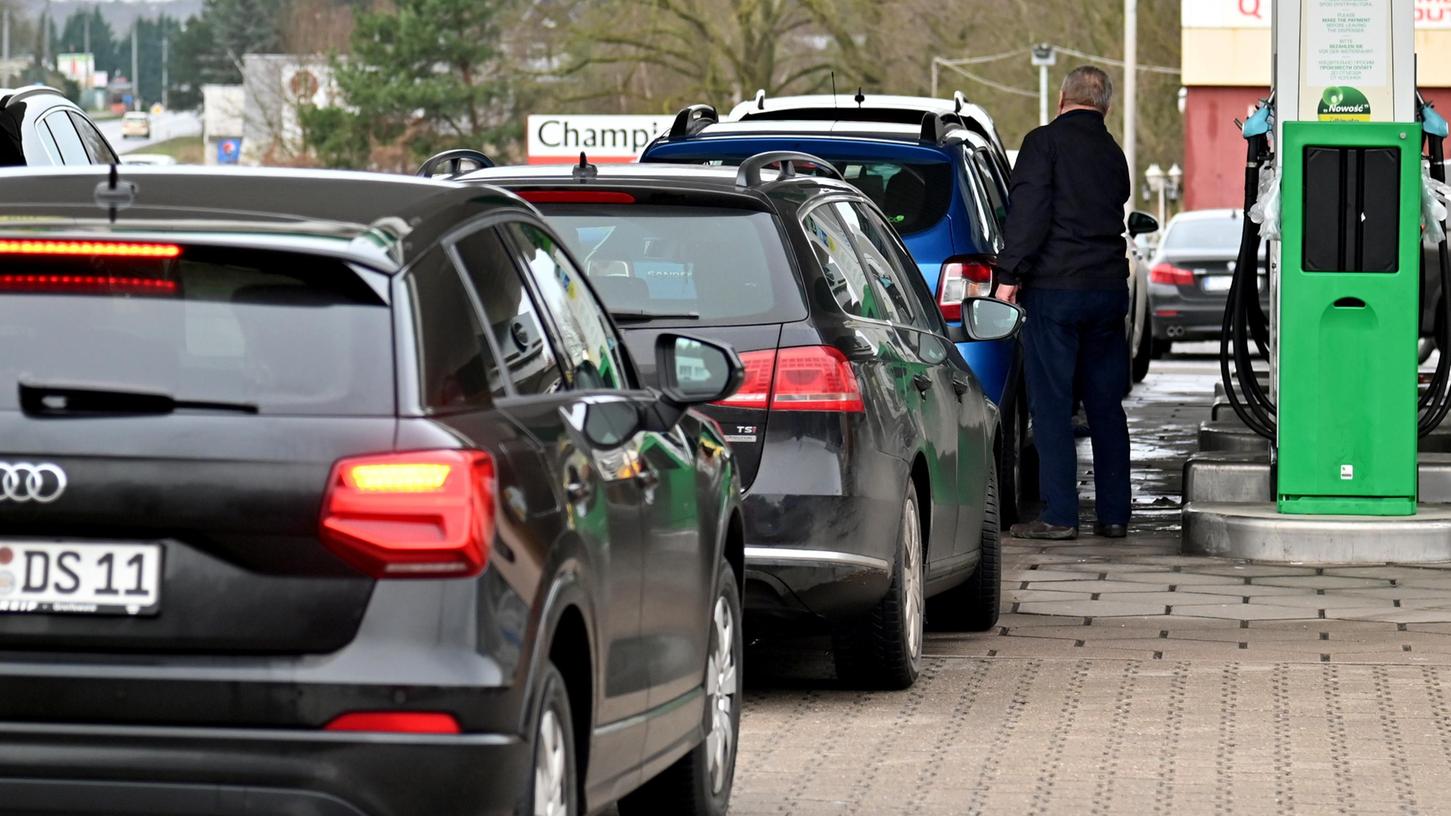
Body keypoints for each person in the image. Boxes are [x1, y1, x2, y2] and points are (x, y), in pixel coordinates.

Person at [995, 66, 1132, 541]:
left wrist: (1009, 275)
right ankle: (1115, 514)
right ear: (1105, 106)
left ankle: (1060, 515)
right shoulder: (1114, 154)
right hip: (1108, 292)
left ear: (1061, 98)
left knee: (1052, 405)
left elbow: (1028, 214)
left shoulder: (1042, 144)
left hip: (1056, 291)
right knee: (1105, 404)